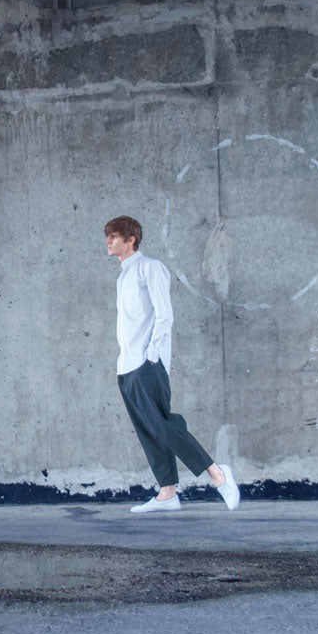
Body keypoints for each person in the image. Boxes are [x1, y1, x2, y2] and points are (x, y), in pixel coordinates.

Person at [105, 216, 240, 513]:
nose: (108, 241)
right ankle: (167, 493)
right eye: (108, 236)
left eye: (114, 236)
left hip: (146, 365)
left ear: (131, 239)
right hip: (126, 366)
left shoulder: (150, 268)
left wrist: (151, 356)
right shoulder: (123, 276)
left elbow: (164, 315)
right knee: (148, 430)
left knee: (163, 426)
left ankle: (217, 473)